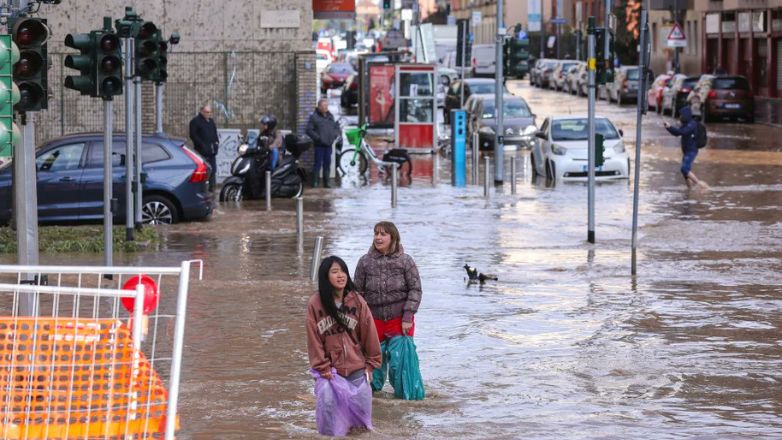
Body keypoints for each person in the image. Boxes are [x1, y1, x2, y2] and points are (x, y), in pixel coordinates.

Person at [306, 256, 382, 435]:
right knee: (330, 427)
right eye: (334, 272)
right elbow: (313, 339)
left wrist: (371, 364)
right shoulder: (315, 304)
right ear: (326, 277)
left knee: (360, 427)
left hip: (357, 369)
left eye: (343, 271)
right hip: (330, 373)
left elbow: (370, 333)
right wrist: (322, 367)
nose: (340, 276)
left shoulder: (357, 301)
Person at [354, 221, 423, 393]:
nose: (378, 237)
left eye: (383, 234)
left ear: (393, 237)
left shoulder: (406, 261)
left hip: (400, 321)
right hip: (372, 321)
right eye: (376, 233)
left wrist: (408, 316)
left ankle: (406, 402)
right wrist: (359, 321)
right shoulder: (365, 262)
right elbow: (357, 294)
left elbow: (415, 289)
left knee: (401, 367)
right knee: (371, 367)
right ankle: (372, 403)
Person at [305, 99, 341, 188]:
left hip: (329, 145)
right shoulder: (314, 117)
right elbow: (309, 130)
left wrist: (335, 135)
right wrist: (318, 138)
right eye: (324, 106)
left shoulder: (330, 116)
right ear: (319, 107)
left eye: (326, 105)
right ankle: (315, 182)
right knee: (317, 163)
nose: (326, 107)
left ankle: (327, 182)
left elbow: (336, 127)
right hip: (319, 145)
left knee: (327, 163)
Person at [664, 105, 701, 187]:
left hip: (691, 151)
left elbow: (683, 132)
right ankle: (689, 190)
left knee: (684, 169)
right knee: (685, 172)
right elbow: (677, 133)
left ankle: (701, 186)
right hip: (686, 150)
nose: (680, 117)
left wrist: (670, 127)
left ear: (686, 115)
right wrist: (669, 128)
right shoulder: (686, 124)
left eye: (681, 115)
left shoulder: (692, 124)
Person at [189, 104, 219, 191]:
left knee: (213, 171)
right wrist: (202, 145)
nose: (208, 114)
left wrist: (216, 143)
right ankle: (201, 190)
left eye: (209, 112)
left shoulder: (211, 121)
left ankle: (212, 189)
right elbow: (193, 135)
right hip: (201, 152)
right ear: (202, 111)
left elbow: (214, 133)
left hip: (212, 152)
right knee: (202, 172)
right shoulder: (195, 121)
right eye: (206, 112)